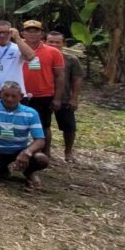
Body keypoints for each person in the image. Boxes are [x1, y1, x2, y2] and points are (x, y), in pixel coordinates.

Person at [0, 81, 50, 190]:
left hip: (19, 151)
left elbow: (40, 140)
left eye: (14, 96)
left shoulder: (31, 113)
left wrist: (26, 152)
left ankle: (28, 172)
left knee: (42, 159)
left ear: (21, 96)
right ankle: (3, 169)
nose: (9, 99)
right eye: (6, 95)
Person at [19, 20, 66, 156]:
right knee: (20, 124)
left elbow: (59, 76)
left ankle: (45, 152)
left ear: (42, 34)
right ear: (23, 33)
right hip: (19, 94)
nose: (32, 34)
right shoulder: (15, 49)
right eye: (29, 31)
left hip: (43, 94)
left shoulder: (53, 52)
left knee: (43, 125)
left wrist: (57, 98)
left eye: (36, 31)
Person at [46, 31, 85, 163]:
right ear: (45, 42)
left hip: (64, 98)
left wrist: (74, 98)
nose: (54, 44)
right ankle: (46, 151)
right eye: (51, 41)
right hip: (45, 96)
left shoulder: (71, 59)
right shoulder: (40, 56)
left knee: (69, 127)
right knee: (45, 126)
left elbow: (77, 79)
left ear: (63, 44)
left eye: (57, 42)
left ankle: (68, 151)